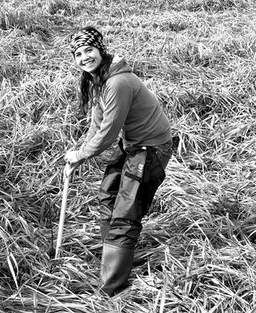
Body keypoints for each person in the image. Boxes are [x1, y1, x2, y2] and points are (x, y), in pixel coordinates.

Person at [64, 26, 173, 297]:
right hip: (132, 144)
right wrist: (80, 153)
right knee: (108, 197)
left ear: (100, 49)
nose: (84, 57)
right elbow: (98, 124)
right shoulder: (99, 78)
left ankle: (111, 288)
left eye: (89, 50)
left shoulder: (117, 82)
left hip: (151, 149)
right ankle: (112, 260)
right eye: (78, 54)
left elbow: (109, 131)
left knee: (125, 214)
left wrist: (81, 154)